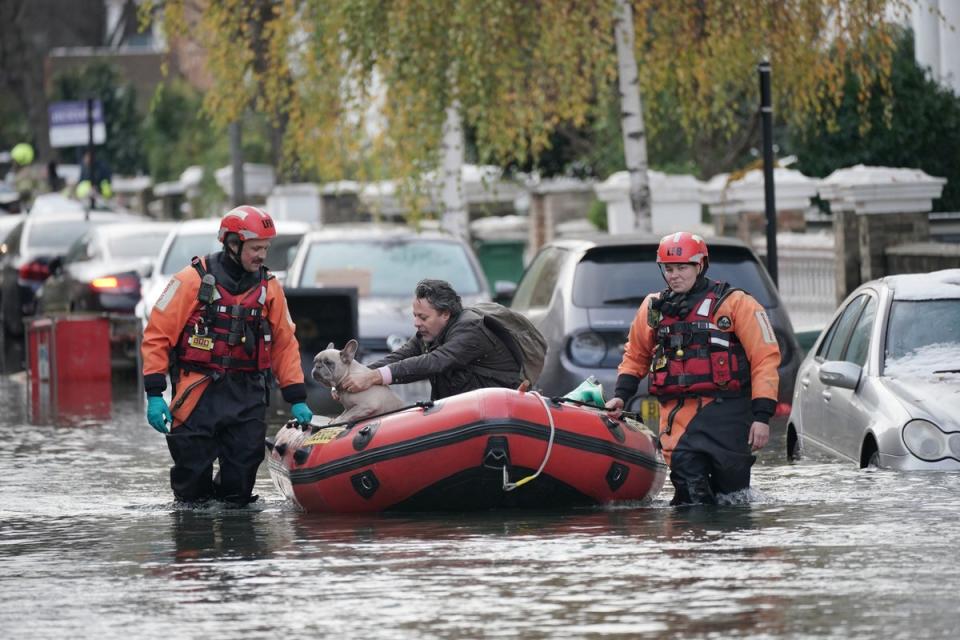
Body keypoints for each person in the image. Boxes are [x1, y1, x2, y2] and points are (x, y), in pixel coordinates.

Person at [141, 205, 313, 506]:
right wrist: (155, 394)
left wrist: (296, 396)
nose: (261, 255)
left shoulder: (270, 288)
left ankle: (239, 546)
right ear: (233, 244)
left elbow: (285, 344)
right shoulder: (191, 280)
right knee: (191, 487)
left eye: (265, 248)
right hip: (197, 392)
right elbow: (157, 334)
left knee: (240, 485)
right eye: (255, 248)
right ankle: (193, 541)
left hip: (247, 395)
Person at [604, 232, 780, 506]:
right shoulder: (654, 308)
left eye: (682, 268)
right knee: (690, 495)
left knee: (732, 497)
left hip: (729, 415)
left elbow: (764, 359)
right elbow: (636, 355)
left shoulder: (737, 304)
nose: (674, 275)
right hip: (679, 418)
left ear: (700, 266)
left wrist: (762, 416)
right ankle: (690, 544)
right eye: (669, 269)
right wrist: (621, 395)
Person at [340, 278, 522, 400]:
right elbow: (400, 356)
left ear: (445, 314)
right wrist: (354, 376)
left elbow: (434, 362)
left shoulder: (470, 330)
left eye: (423, 317)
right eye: (415, 316)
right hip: (462, 409)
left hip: (496, 410)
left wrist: (373, 377)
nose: (416, 323)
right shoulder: (430, 333)